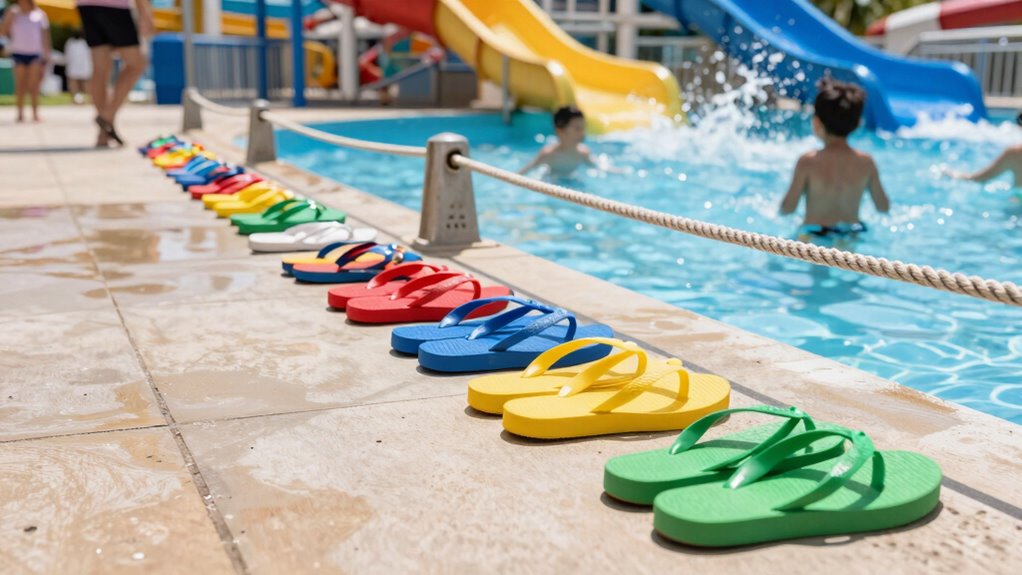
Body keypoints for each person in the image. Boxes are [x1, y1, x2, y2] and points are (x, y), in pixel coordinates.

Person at [780, 79, 890, 241]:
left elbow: (788, 208)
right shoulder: (867, 162)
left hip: (813, 232)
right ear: (857, 124)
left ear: (817, 123)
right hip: (850, 233)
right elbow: (883, 206)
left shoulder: (807, 161)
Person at [75, 0, 155, 147]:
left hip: (86, 5)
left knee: (100, 70)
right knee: (137, 63)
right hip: (114, 6)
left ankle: (103, 134)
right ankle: (106, 117)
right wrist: (145, 13)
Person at [0, 0, 51, 123]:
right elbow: (2, 32)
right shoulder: (13, 13)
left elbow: (45, 37)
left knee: (34, 85)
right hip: (18, 52)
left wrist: (47, 55)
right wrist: (9, 17)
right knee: (20, 84)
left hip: (35, 53)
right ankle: (20, 113)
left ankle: (35, 113)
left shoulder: (40, 15)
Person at [519, 105, 596, 176]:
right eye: (577, 128)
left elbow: (596, 167)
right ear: (560, 131)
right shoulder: (549, 154)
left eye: (583, 127)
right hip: (552, 180)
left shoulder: (583, 153)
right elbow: (524, 172)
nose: (582, 132)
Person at [64, 29, 91, 104]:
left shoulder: (71, 42)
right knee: (82, 83)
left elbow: (67, 55)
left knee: (80, 83)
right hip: (82, 66)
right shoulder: (72, 42)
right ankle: (86, 99)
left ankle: (85, 99)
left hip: (80, 66)